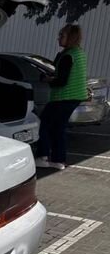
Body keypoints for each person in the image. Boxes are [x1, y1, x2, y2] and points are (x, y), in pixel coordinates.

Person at [35, 24, 88, 171]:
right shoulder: (79, 53)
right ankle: (59, 160)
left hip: (64, 96)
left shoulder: (67, 56)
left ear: (71, 37)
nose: (59, 38)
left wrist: (47, 79)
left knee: (45, 124)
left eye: (62, 35)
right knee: (58, 128)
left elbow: (61, 81)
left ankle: (43, 157)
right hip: (75, 97)